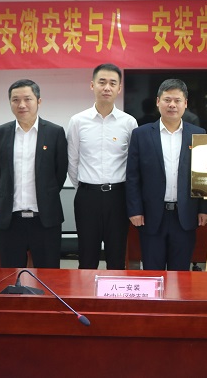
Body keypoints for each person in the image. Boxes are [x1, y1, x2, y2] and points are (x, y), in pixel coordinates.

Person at [126, 78, 207, 270]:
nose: (172, 105)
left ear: (185, 104)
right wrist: (135, 210)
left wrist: (205, 208)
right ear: (158, 102)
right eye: (167, 100)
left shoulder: (198, 134)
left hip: (185, 215)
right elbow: (133, 176)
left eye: (177, 100)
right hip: (150, 216)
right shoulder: (141, 134)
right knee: (152, 272)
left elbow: (204, 174)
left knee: (180, 274)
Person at [0, 79, 68, 268]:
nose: (21, 105)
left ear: (39, 101)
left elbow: (60, 173)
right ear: (10, 103)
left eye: (27, 99)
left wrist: (46, 194)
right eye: (15, 100)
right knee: (10, 276)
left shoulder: (55, 133)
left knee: (48, 277)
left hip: (45, 219)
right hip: (11, 220)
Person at [66, 63, 137, 269]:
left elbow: (132, 164)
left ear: (119, 88)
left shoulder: (129, 123)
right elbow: (72, 160)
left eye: (112, 83)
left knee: (117, 257)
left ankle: (116, 291)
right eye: (102, 82)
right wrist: (85, 187)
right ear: (92, 85)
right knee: (87, 257)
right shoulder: (78, 121)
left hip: (118, 197)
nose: (107, 87)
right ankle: (86, 292)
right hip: (87, 197)